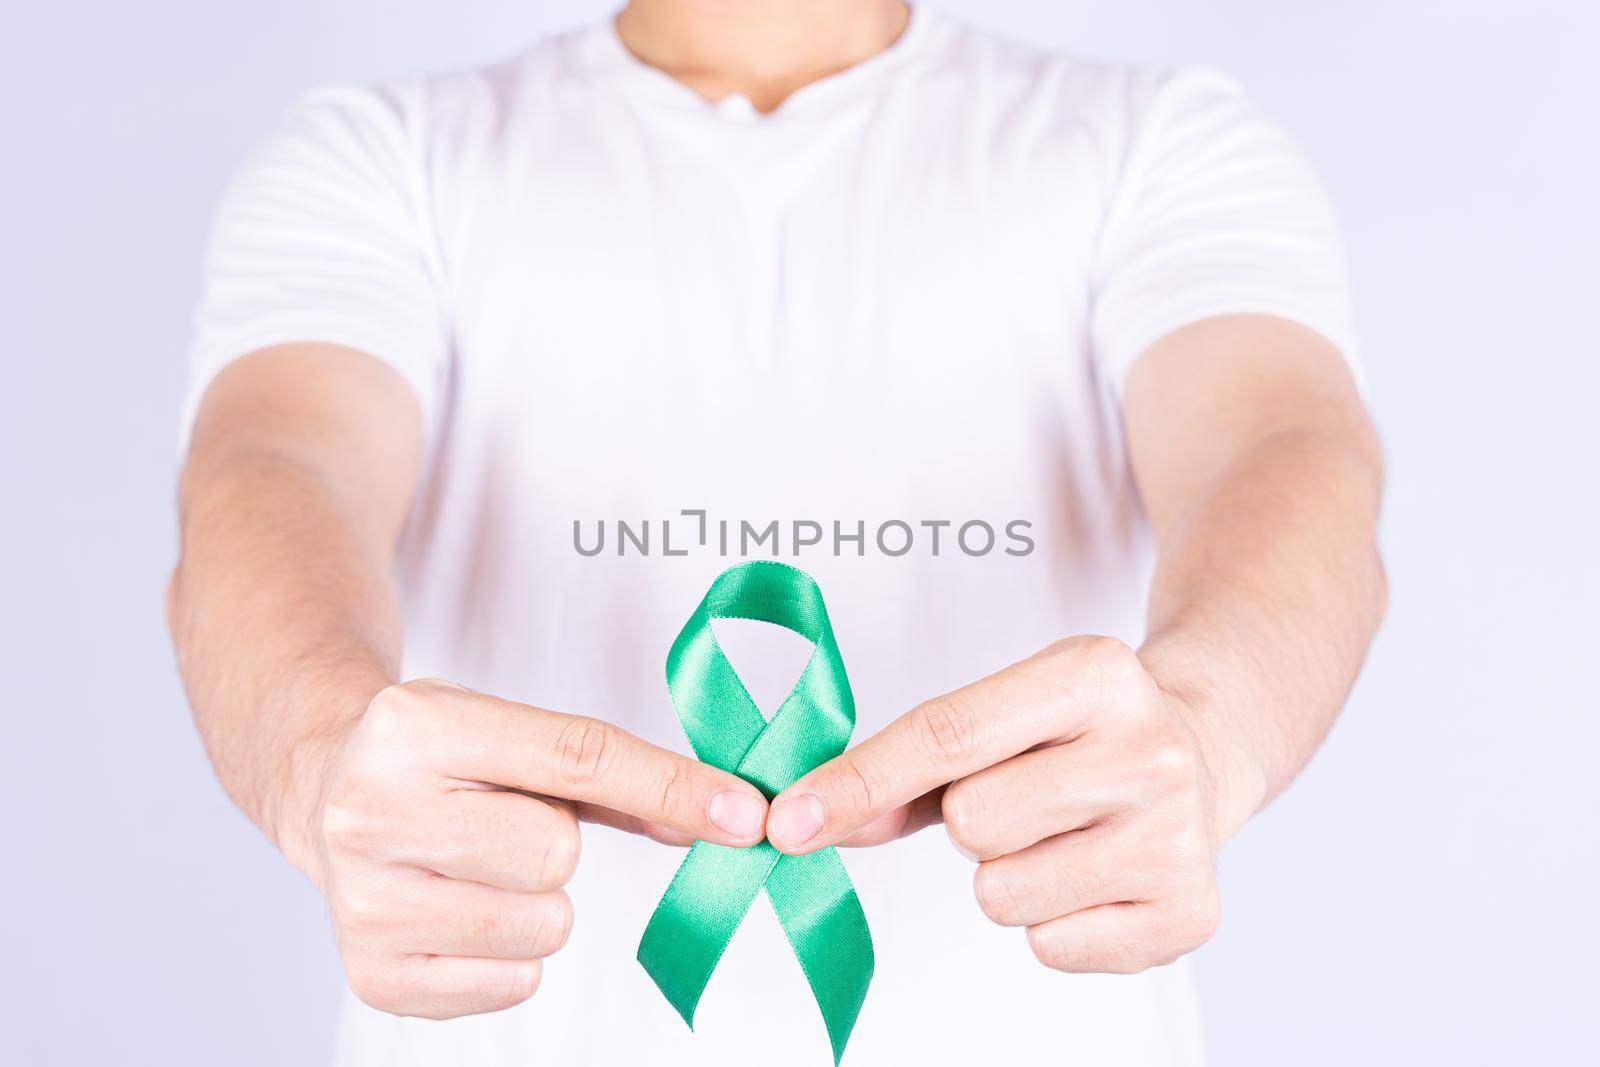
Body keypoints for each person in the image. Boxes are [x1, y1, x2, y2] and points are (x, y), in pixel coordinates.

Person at [168, 1, 1386, 1063]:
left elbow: (1277, 450)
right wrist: (314, 746)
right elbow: (275, 469)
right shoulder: (378, 157)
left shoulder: (1159, 142)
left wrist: (1210, 722)